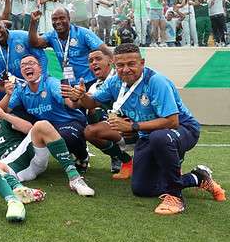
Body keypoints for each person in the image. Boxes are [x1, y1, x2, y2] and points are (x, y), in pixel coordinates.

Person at [64, 43, 225, 214]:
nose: (126, 69)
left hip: (183, 129)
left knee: (160, 137)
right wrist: (82, 97)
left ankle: (175, 197)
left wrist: (133, 126)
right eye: (120, 65)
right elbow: (93, 102)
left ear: (142, 63)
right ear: (114, 65)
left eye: (131, 64)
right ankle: (198, 177)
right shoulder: (115, 83)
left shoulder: (156, 81)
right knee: (143, 188)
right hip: (148, 134)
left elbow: (172, 121)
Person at [0, 93, 94, 196]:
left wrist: (5, 116)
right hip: (9, 167)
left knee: (42, 125)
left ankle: (74, 178)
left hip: (28, 155)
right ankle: (21, 189)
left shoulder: (3, 120)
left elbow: (29, 129)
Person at [0, 55, 90, 172]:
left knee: (66, 138)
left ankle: (82, 156)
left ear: (40, 68)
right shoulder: (21, 89)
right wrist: (8, 94)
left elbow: (72, 104)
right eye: (23, 65)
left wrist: (75, 98)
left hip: (68, 121)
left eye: (31, 63)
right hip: (46, 125)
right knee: (12, 116)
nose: (27, 67)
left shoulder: (51, 83)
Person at [81, 49, 134, 178]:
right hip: (120, 129)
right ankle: (125, 160)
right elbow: (94, 121)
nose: (94, 63)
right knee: (90, 131)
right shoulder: (94, 87)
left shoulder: (125, 76)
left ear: (111, 61)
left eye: (98, 59)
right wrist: (83, 99)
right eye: (91, 61)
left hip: (141, 126)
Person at [28, 8, 111, 85]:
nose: (58, 22)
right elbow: (35, 43)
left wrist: (114, 73)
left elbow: (105, 50)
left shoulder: (82, 33)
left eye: (62, 18)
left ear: (69, 19)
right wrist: (33, 23)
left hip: (89, 81)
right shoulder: (51, 36)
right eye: (54, 19)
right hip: (69, 83)